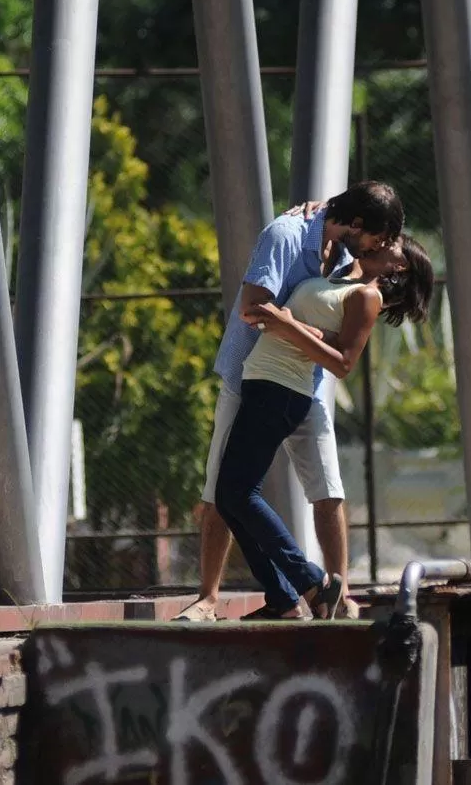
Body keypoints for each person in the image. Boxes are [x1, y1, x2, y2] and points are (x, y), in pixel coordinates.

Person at [173, 181, 403, 622]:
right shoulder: (287, 234)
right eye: (376, 237)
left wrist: (298, 329)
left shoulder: (341, 253)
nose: (377, 247)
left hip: (306, 384)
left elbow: (335, 333)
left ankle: (333, 594)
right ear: (356, 224)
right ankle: (212, 597)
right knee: (222, 490)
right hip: (251, 376)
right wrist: (300, 329)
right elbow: (254, 308)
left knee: (326, 488)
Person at [218, 232, 434, 619]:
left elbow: (342, 363)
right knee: (229, 496)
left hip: (282, 391)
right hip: (265, 383)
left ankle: (312, 583)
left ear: (399, 265)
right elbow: (325, 333)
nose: (384, 239)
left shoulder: (367, 296)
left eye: (394, 242)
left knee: (239, 493)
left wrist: (286, 325)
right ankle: (284, 599)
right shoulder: (341, 277)